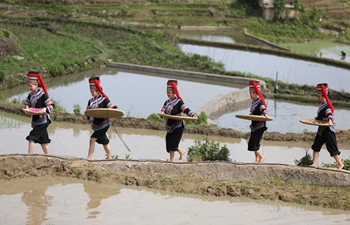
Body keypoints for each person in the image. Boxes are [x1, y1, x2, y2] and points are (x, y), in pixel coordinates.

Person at [160, 80, 197, 162]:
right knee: (168, 141)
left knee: (173, 143)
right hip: (169, 125)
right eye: (167, 92)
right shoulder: (167, 102)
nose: (168, 94)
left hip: (178, 125)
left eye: (169, 93)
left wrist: (193, 115)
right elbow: (163, 109)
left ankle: (172, 160)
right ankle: (181, 152)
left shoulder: (179, 102)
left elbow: (186, 109)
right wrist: (162, 113)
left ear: (173, 92)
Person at [86, 77, 122, 160]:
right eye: (91, 91)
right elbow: (88, 111)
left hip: (104, 124)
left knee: (92, 139)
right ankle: (110, 157)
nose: (91, 93)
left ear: (98, 91)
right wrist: (88, 114)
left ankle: (89, 158)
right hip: (96, 124)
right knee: (104, 141)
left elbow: (112, 106)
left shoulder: (104, 100)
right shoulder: (90, 101)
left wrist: (117, 110)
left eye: (93, 92)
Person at [310, 83, 344, 170]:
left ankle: (340, 164)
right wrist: (314, 119)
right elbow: (320, 117)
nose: (318, 98)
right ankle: (314, 163)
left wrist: (330, 120)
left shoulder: (327, 106)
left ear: (323, 96)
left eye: (319, 97)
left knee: (332, 148)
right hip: (321, 130)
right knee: (316, 146)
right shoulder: (322, 105)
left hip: (328, 130)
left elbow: (330, 114)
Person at [25, 71, 54, 155]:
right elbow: (27, 103)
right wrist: (27, 108)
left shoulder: (42, 95)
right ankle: (49, 156)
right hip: (36, 120)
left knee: (31, 137)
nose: (29, 87)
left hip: (43, 121)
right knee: (43, 141)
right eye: (29, 86)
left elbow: (51, 105)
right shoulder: (30, 95)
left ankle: (29, 156)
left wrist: (44, 109)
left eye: (31, 86)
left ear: (36, 84)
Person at [247, 81, 271, 163]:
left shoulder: (259, 102)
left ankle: (261, 157)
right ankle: (257, 159)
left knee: (252, 144)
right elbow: (254, 111)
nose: (250, 95)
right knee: (255, 143)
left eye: (251, 93)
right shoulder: (254, 102)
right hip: (254, 125)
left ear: (255, 93)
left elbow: (263, 109)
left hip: (259, 126)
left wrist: (266, 115)